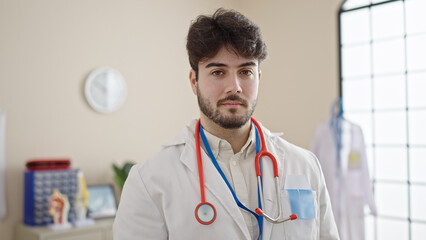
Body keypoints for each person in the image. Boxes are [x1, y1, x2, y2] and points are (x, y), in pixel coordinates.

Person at [113, 8, 339, 240]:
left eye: (245, 71)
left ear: (258, 78)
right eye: (218, 72)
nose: (235, 87)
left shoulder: (304, 165)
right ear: (194, 81)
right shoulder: (150, 180)